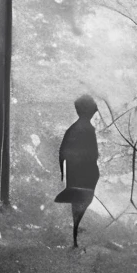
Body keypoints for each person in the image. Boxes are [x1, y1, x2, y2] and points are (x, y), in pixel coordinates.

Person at [55, 93, 101, 248]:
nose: (96, 107)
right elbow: (92, 153)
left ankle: (75, 232)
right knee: (82, 200)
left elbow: (62, 152)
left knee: (79, 201)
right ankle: (75, 234)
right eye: (94, 105)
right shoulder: (86, 129)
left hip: (77, 174)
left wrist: (64, 171)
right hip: (84, 175)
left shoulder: (74, 129)